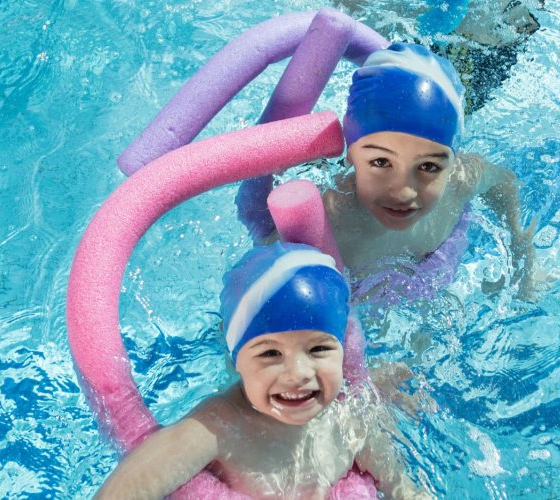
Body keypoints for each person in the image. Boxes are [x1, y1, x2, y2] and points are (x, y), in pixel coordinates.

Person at [96, 242, 432, 499]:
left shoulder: (352, 415)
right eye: (270, 353)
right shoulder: (219, 426)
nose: (298, 372)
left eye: (318, 349)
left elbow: (398, 483)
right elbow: (133, 483)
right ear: (235, 361)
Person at [238, 43, 535, 302]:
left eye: (429, 167)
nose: (403, 191)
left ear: (452, 160)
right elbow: (248, 312)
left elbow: (503, 183)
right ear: (351, 152)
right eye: (381, 163)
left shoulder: (460, 181)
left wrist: (520, 245)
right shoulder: (325, 224)